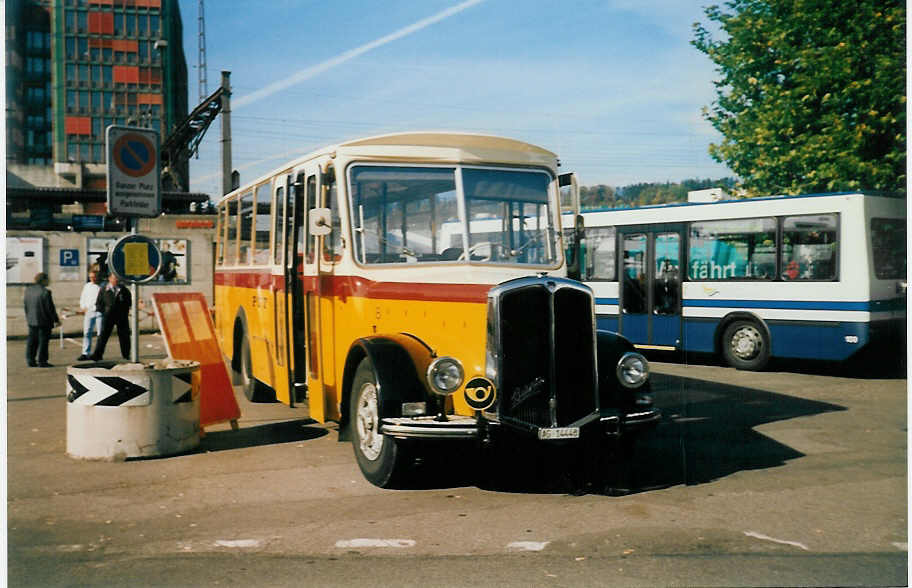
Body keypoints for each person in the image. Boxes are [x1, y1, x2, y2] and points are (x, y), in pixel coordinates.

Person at [89, 273, 132, 361]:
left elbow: (128, 303)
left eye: (117, 278)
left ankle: (126, 354)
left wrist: (125, 312)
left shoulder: (124, 290)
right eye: (114, 278)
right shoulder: (104, 289)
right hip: (108, 316)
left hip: (121, 317)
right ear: (109, 279)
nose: (116, 280)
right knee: (103, 336)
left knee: (124, 336)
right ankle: (97, 355)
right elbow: (99, 303)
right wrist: (103, 311)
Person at [23, 272, 60, 367]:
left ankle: (30, 360)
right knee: (43, 342)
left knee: (32, 341)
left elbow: (26, 306)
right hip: (44, 321)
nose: (49, 281)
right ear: (43, 280)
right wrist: (56, 320)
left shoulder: (28, 290)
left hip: (31, 320)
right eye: (47, 279)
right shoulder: (45, 292)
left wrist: (28, 317)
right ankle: (42, 361)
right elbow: (50, 309)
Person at [77, 270, 103, 361]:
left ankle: (98, 353)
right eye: (91, 277)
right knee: (87, 332)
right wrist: (83, 307)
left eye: (94, 277)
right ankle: (85, 353)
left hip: (99, 312)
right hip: (89, 312)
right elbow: (83, 298)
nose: (92, 278)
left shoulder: (102, 286)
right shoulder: (87, 286)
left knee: (100, 334)